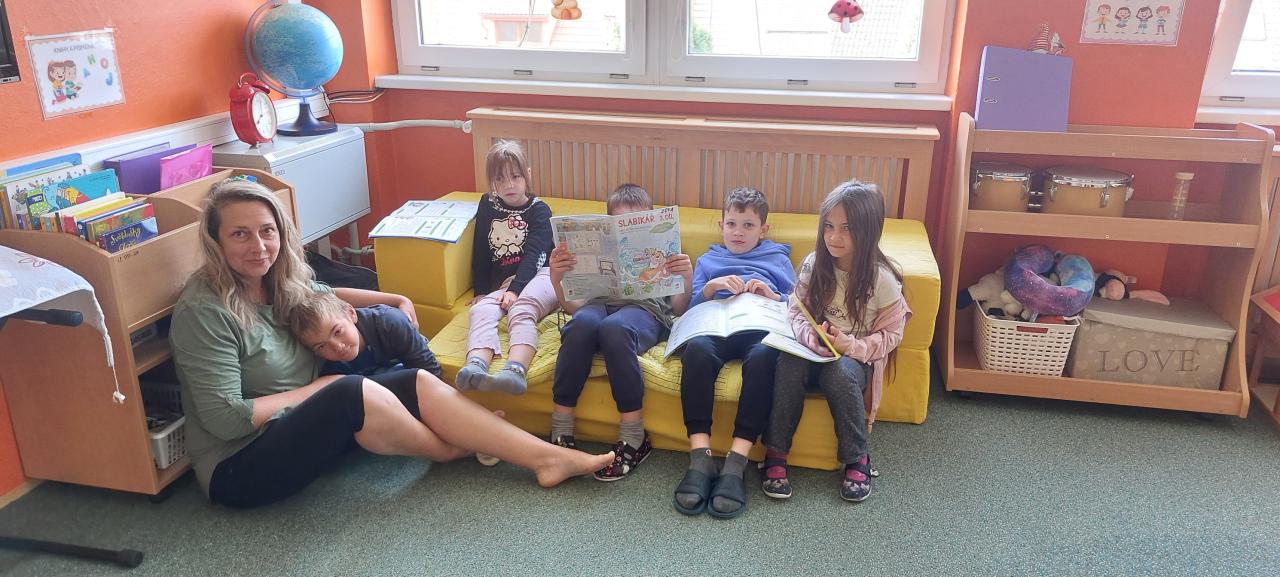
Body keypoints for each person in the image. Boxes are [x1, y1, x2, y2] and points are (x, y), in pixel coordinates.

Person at [169, 177, 612, 508]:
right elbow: (225, 420)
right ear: (216, 241)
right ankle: (452, 447)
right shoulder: (204, 311)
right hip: (241, 465)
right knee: (351, 389)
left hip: (306, 427)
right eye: (239, 234)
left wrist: (394, 298)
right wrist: (319, 389)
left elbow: (326, 294)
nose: (258, 246)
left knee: (413, 378)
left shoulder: (277, 280)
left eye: (267, 231)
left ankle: (545, 458)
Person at [761, 180, 910, 503]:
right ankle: (776, 452)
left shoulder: (883, 280)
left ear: (868, 231)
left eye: (846, 228)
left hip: (852, 361)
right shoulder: (815, 264)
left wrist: (850, 347)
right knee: (788, 363)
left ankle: (857, 457)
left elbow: (891, 336)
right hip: (811, 351)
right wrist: (810, 337)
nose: (834, 237)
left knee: (839, 372)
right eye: (828, 226)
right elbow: (796, 310)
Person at [547, 183, 694, 481]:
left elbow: (678, 309)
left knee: (614, 329)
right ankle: (560, 428)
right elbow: (573, 308)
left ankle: (634, 437)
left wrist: (686, 276)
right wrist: (556, 277)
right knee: (581, 325)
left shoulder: (666, 252)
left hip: (644, 311)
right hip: (599, 303)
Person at [673, 187, 795, 518]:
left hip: (758, 327)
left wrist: (773, 295)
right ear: (721, 225)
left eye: (748, 225)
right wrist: (710, 288)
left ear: (763, 229)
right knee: (697, 350)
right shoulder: (708, 260)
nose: (738, 232)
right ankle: (700, 456)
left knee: (764, 357)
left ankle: (736, 461)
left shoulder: (778, 259)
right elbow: (689, 307)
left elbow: (797, 302)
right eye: (731, 224)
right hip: (716, 326)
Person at [454, 140, 559, 395]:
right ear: (491, 181)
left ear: (528, 175)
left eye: (515, 176)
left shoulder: (540, 211)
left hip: (543, 276)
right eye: (500, 179)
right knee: (481, 310)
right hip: (506, 285)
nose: (509, 185)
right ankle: (476, 366)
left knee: (521, 310)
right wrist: (481, 291)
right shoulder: (488, 204)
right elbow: (481, 248)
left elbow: (535, 255)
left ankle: (515, 370)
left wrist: (515, 290)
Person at [287, 291, 443, 379]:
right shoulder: (328, 365)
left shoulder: (390, 322)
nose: (338, 347)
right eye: (321, 346)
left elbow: (430, 370)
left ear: (351, 313)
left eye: (337, 332)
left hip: (408, 363)